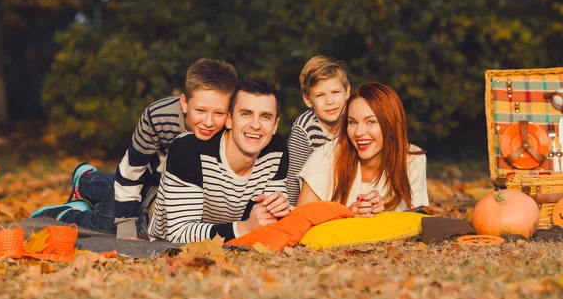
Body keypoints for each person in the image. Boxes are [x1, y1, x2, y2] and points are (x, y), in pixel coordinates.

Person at [30, 58, 238, 239]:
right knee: (106, 225)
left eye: (218, 113)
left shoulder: (231, 128)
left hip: (170, 190)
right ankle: (71, 205)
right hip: (145, 177)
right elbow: (131, 171)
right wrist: (127, 229)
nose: (209, 122)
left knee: (126, 204)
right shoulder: (158, 117)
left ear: (229, 112)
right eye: (200, 110)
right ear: (184, 103)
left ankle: (87, 179)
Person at [148, 76, 290, 243]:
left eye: (265, 117)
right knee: (111, 188)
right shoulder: (187, 151)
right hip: (147, 218)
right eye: (246, 114)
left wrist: (279, 210)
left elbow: (270, 223)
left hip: (220, 230)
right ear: (229, 119)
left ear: (275, 125)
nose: (256, 125)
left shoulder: (276, 149)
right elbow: (179, 233)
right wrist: (243, 228)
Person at [296, 82, 428, 216]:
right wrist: (345, 214)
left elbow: (413, 221)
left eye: (370, 121)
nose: (359, 132)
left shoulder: (412, 160)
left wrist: (383, 213)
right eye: (352, 122)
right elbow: (300, 218)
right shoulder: (326, 156)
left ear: (391, 123)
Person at [286, 56, 350, 205]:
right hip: (315, 198)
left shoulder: (354, 117)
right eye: (320, 95)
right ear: (308, 99)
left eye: (335, 92)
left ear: (347, 91)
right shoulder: (304, 129)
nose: (330, 101)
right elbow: (293, 180)